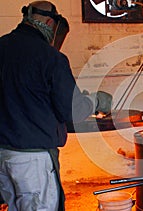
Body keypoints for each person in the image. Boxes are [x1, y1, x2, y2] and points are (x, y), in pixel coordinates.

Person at [0, 1, 112, 210]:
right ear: (50, 23)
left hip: (3, 155)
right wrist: (95, 100)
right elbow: (72, 111)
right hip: (32, 160)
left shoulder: (2, 47)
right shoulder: (51, 58)